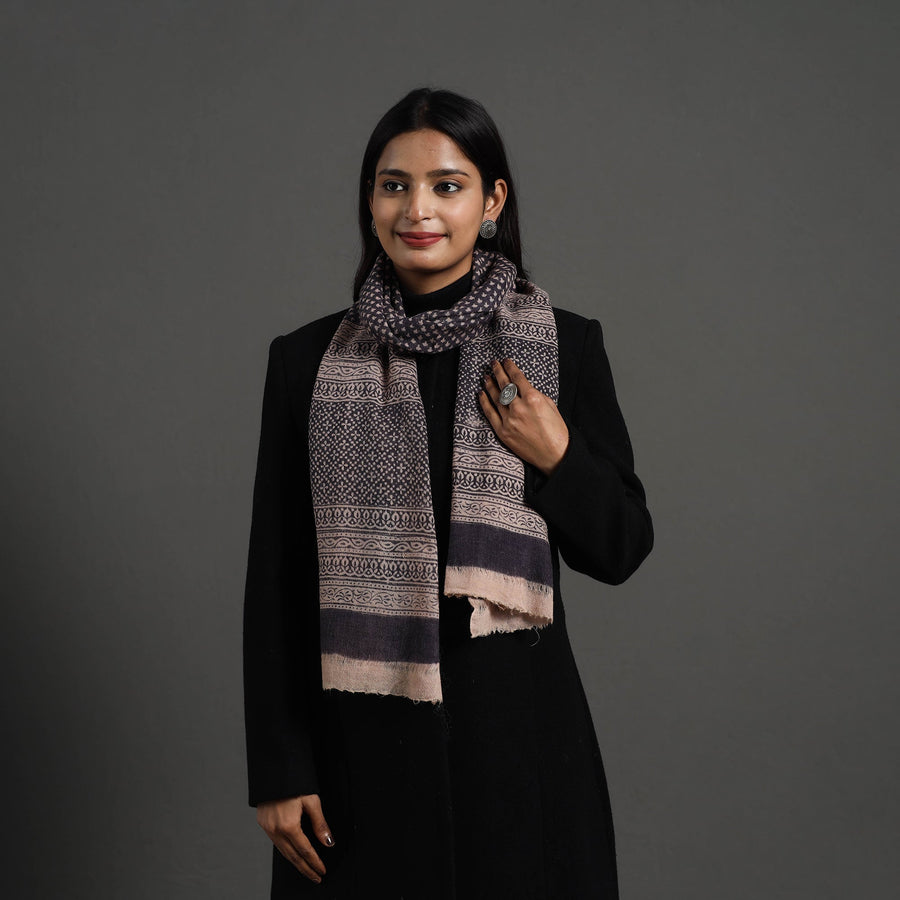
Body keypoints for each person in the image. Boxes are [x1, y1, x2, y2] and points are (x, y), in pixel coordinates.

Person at [243, 87, 654, 899]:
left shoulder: (564, 346)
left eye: (447, 185)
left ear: (491, 201)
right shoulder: (306, 363)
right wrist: (280, 769)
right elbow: (278, 579)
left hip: (522, 755)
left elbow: (621, 547)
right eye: (394, 185)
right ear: (369, 202)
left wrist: (558, 454)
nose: (418, 209)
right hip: (359, 757)